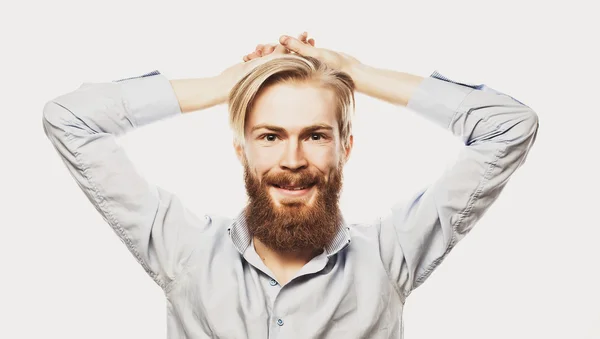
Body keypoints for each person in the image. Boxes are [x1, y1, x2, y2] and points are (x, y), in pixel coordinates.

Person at [42, 32, 539, 338]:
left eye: (316, 135)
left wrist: (356, 73)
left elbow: (509, 126)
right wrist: (222, 85)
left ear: (345, 146)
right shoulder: (184, 251)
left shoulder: (391, 256)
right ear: (242, 149)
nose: (293, 160)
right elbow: (69, 120)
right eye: (270, 135)